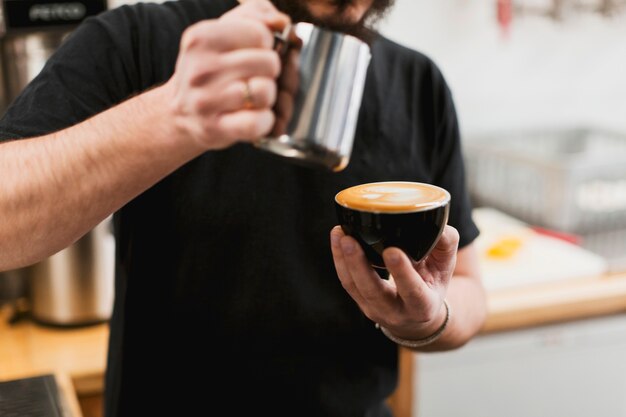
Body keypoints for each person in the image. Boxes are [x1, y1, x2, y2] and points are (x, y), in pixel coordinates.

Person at [0, 0, 487, 416]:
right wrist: (171, 114)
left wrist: (430, 321)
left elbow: (466, 284)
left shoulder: (420, 84)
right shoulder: (140, 40)